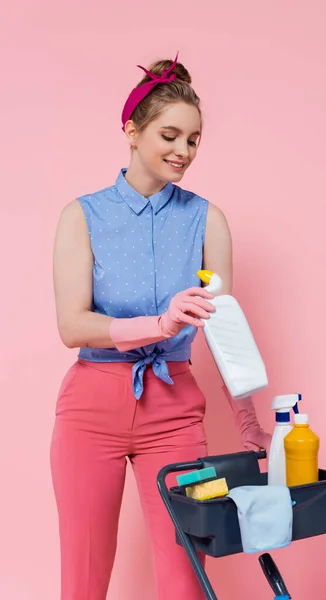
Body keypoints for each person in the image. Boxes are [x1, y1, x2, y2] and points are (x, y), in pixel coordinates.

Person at [50, 53, 271, 600]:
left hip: (173, 415)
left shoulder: (206, 219)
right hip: (90, 410)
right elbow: (72, 325)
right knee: (83, 573)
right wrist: (160, 321)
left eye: (193, 140)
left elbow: (224, 332)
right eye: (170, 135)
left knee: (185, 575)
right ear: (131, 130)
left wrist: (249, 425)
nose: (183, 152)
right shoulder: (82, 215)